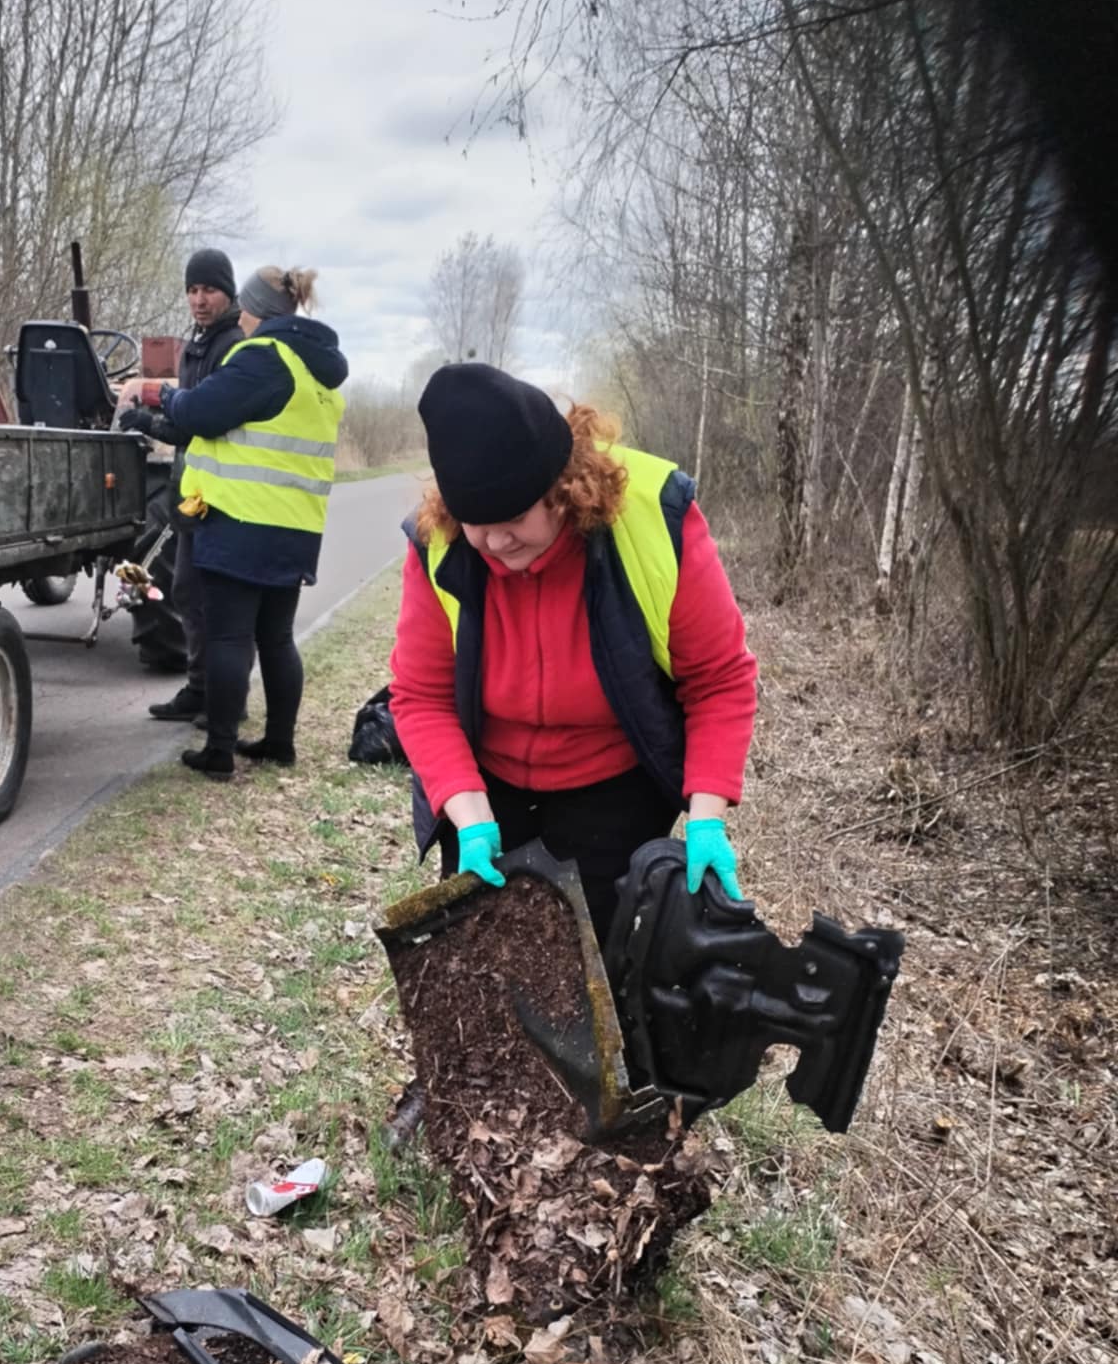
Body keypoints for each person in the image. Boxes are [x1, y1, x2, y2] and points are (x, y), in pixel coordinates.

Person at [389, 362, 758, 946]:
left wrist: (707, 816)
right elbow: (421, 695)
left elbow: (718, 679)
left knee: (592, 965)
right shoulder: (441, 544)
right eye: (477, 523)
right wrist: (469, 815)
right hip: (487, 785)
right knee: (484, 960)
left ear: (562, 491)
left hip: (614, 785)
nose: (495, 541)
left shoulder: (654, 517)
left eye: (515, 518)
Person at [132, 265, 348, 778]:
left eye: (243, 308)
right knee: (276, 637)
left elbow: (200, 412)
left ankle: (220, 751)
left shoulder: (263, 357)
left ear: (253, 310)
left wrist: (158, 394)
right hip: (295, 527)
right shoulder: (318, 373)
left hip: (241, 524)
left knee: (228, 637)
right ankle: (279, 742)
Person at [117, 249, 245, 707]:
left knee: (219, 604)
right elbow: (186, 426)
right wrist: (148, 423)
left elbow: (205, 421)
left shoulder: (233, 348)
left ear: (227, 292)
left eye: (208, 289)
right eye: (192, 290)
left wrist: (159, 413)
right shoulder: (197, 346)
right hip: (192, 491)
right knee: (187, 593)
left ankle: (224, 700)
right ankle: (199, 689)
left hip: (224, 495)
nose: (199, 300)